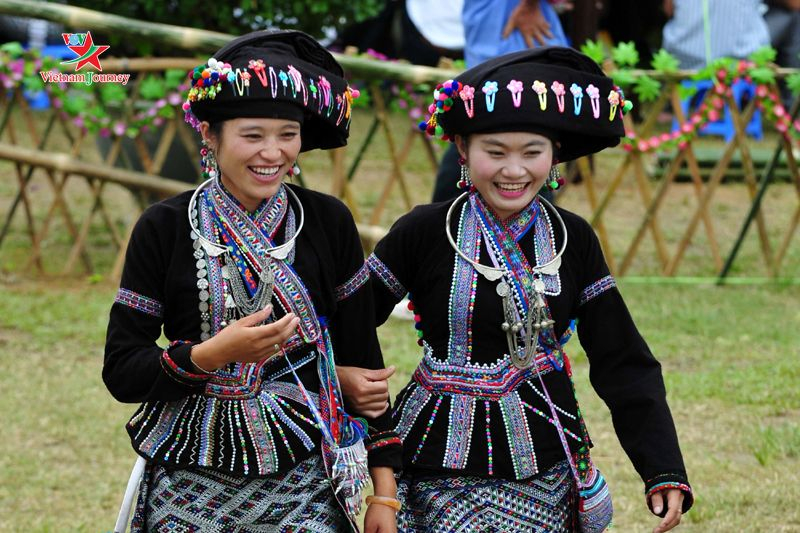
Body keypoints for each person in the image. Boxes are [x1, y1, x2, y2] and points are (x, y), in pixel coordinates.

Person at [343, 47, 693, 532]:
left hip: (546, 458)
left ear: (555, 157)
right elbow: (348, 318)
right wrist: (347, 378)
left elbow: (621, 357)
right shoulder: (426, 231)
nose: (514, 171)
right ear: (462, 150)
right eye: (495, 152)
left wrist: (662, 467)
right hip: (438, 459)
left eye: (532, 152)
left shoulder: (572, 239)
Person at [103, 30, 401, 532]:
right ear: (210, 136)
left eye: (287, 133)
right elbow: (122, 370)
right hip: (188, 479)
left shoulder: (327, 222)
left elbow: (363, 364)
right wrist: (211, 355)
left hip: (306, 479)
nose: (273, 153)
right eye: (252, 135)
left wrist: (384, 496)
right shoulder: (166, 226)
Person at [433, 0, 570, 203]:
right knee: (482, 121)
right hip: (493, 17)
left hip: (513, 19)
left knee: (514, 114)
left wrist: (529, 6)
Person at [662, 0, 770, 70]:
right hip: (742, 63)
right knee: (784, 16)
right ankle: (786, 98)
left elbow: (669, 10)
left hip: (682, 61)